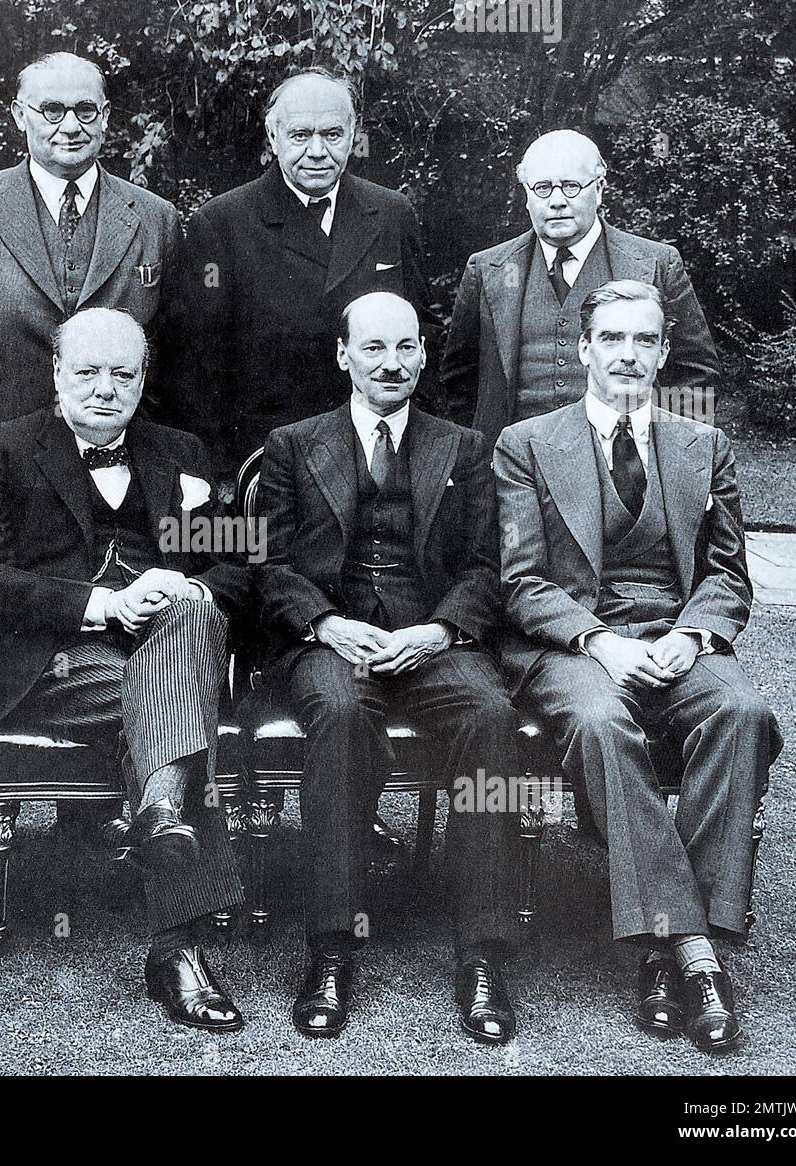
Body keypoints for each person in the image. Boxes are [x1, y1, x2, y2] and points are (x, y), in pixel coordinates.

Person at [493, 279, 782, 1053]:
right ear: (585, 349)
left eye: (644, 341)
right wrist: (603, 643)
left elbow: (727, 574)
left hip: (675, 634)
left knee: (741, 712)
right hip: (574, 644)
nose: (628, 354)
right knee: (598, 720)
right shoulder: (526, 445)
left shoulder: (703, 445)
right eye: (612, 339)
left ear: (662, 353)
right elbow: (521, 582)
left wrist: (692, 636)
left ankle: (666, 954)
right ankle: (693, 953)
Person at [0, 307, 250, 1034]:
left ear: (145, 378)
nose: (105, 388)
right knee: (172, 707)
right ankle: (174, 932)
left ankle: (160, 825)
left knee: (195, 620)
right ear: (55, 373)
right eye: (87, 371)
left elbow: (236, 564)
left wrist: (193, 589)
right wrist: (105, 606)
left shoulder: (180, 452)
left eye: (123, 373)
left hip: (168, 645)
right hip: (51, 663)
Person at [255, 291, 521, 1041]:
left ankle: (483, 953)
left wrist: (439, 631)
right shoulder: (292, 445)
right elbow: (268, 565)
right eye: (373, 348)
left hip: (429, 639)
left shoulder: (463, 447)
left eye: (406, 347)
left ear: (424, 355)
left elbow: (485, 567)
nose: (391, 363)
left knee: (492, 716)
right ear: (343, 356)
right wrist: (327, 623)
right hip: (330, 642)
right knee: (340, 714)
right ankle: (332, 948)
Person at [0, 52, 180, 495]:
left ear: (106, 117)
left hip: (117, 462)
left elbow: (173, 350)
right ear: (20, 115)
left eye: (85, 110)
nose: (71, 126)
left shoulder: (156, 218)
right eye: (52, 110)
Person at [174, 69, 433, 483]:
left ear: (353, 135)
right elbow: (198, 366)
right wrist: (218, 475)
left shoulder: (391, 214)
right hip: (268, 460)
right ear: (273, 137)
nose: (317, 151)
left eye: (332, 134)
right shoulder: (222, 223)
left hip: (379, 454)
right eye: (300, 135)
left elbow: (423, 336)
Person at [441, 129, 718, 448]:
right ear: (526, 196)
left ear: (599, 189)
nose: (557, 201)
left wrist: (668, 452)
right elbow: (458, 384)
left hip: (621, 465)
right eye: (542, 188)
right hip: (511, 469)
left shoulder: (657, 264)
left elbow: (697, 375)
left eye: (571, 187)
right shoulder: (487, 268)